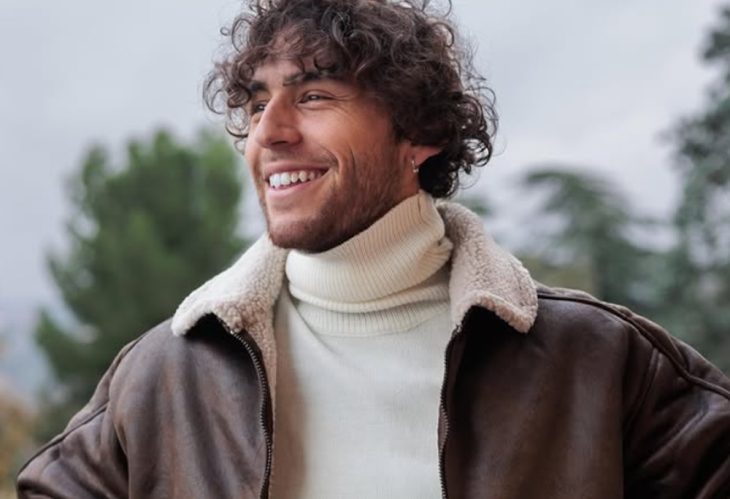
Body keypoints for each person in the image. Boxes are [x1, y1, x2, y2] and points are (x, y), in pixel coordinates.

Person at [17, 0, 730, 497]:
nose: (269, 133)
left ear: (421, 135)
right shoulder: (166, 376)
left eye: (314, 96)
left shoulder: (598, 361)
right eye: (258, 104)